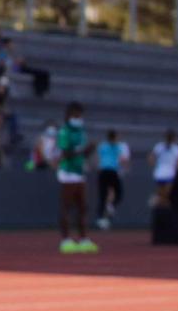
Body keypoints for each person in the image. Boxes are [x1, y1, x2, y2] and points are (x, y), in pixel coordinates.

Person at [54, 103, 97, 253]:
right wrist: (83, 150)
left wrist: (89, 150)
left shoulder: (81, 132)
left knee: (83, 207)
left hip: (79, 171)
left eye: (80, 116)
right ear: (68, 116)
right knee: (67, 206)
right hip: (68, 172)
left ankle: (84, 239)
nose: (79, 119)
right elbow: (66, 153)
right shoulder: (64, 132)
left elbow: (82, 154)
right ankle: (65, 240)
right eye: (76, 116)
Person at [94, 127, 129, 229]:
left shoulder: (102, 146)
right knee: (118, 193)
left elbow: (97, 158)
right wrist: (125, 168)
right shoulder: (118, 146)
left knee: (102, 195)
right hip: (112, 171)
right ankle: (110, 206)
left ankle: (101, 218)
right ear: (115, 137)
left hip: (103, 171)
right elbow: (123, 160)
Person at [149, 129, 178, 208]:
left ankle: (160, 203)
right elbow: (152, 157)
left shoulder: (177, 149)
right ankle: (160, 204)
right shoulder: (159, 146)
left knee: (167, 192)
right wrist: (154, 164)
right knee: (162, 191)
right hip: (160, 172)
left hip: (170, 173)